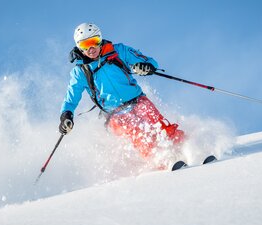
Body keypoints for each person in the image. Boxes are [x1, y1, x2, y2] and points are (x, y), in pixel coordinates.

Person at [59, 23, 185, 168]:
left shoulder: (119, 51)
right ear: (79, 47)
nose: (91, 48)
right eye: (85, 44)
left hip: (138, 101)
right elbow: (71, 98)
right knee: (139, 135)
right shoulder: (80, 71)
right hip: (114, 114)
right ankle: (164, 164)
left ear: (99, 39)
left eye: (93, 42)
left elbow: (149, 61)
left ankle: (190, 150)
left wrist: (145, 66)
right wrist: (66, 116)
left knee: (162, 127)